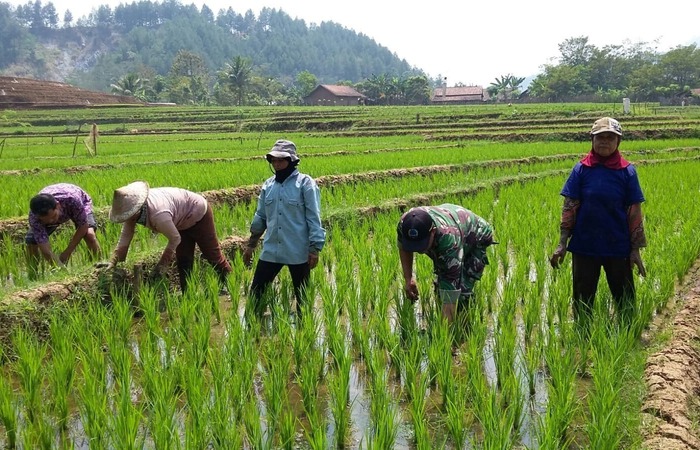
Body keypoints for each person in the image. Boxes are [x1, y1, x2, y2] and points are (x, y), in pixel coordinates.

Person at [550, 117, 647, 328]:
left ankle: (628, 343)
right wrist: (562, 243)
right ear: (591, 140)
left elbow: (634, 212)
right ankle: (582, 345)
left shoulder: (627, 171)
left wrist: (636, 249)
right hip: (585, 247)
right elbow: (570, 207)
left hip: (618, 246)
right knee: (583, 302)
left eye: (610, 138)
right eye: (600, 137)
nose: (604, 142)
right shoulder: (581, 170)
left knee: (625, 302)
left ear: (618, 141)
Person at [243, 140, 326, 317]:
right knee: (256, 294)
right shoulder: (268, 185)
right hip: (272, 249)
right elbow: (260, 217)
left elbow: (314, 218)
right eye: (273, 160)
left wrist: (315, 249)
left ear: (292, 160)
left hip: (298, 251)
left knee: (303, 300)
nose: (277, 164)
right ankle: (252, 330)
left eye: (281, 160)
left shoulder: (305, 184)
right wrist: (251, 245)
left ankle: (305, 335)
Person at [108, 181, 232, 292]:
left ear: (136, 211)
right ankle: (187, 294)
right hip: (180, 220)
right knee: (183, 260)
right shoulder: (133, 214)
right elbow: (125, 238)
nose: (126, 218)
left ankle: (230, 283)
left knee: (212, 255)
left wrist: (163, 263)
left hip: (198, 213)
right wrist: (113, 263)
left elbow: (175, 239)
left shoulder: (159, 215)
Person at [398, 204, 495, 323]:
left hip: (476, 234)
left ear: (433, 232)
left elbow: (450, 289)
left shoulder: (449, 241)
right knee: (442, 283)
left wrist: (444, 335)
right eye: (414, 245)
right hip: (451, 227)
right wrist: (408, 278)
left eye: (421, 245)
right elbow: (403, 247)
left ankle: (464, 322)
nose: (418, 250)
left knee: (462, 292)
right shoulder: (405, 224)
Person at [26, 183, 101, 277]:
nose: (51, 221)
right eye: (46, 220)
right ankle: (33, 274)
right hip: (59, 206)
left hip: (79, 201)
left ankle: (99, 269)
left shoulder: (73, 200)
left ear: (58, 206)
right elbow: (45, 249)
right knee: (31, 241)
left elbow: (83, 226)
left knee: (89, 235)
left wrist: (67, 252)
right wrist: (60, 268)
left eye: (53, 217)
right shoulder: (35, 218)